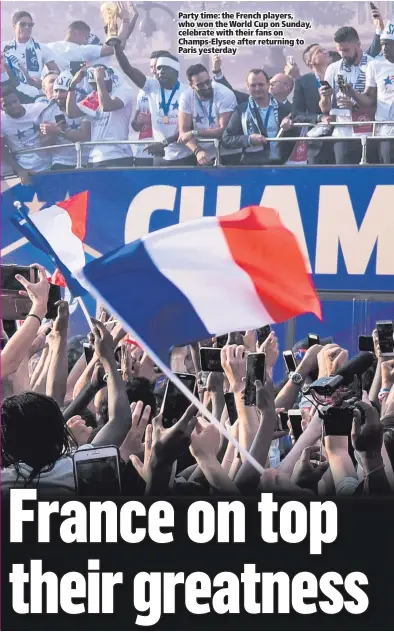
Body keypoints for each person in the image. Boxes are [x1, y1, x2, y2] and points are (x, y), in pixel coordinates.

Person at [113, 45, 194, 166]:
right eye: (159, 68)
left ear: (175, 71)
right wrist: (116, 47)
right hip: (160, 156)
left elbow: (188, 128)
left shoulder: (187, 92)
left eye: (165, 68)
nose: (160, 72)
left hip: (183, 156)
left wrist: (164, 143)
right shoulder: (152, 86)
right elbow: (128, 70)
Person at [319, 26, 376, 165]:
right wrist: (325, 97)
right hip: (342, 134)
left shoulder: (373, 65)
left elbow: (379, 104)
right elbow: (324, 109)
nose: (343, 54)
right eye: (340, 50)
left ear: (358, 44)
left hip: (369, 134)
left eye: (346, 50)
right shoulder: (333, 68)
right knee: (344, 177)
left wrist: (355, 106)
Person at [221, 69, 296, 165]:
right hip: (252, 165)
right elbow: (226, 139)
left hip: (281, 165)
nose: (257, 88)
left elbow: (296, 135)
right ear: (247, 87)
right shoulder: (241, 110)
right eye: (253, 85)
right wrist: (249, 139)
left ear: (268, 84)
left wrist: (290, 127)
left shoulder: (284, 109)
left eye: (261, 84)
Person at [66, 64, 134, 169]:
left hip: (117, 156)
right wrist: (72, 85)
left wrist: (99, 81)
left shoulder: (124, 91)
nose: (95, 89)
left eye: (96, 85)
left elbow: (107, 106)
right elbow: (72, 113)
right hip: (94, 158)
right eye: (93, 86)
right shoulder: (96, 94)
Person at [345, 20, 394, 164]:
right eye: (383, 44)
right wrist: (353, 93)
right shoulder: (375, 66)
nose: (384, 48)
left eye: (389, 44)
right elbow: (369, 99)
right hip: (386, 128)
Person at [178, 63, 239, 166]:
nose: (206, 87)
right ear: (191, 85)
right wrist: (197, 150)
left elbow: (223, 131)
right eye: (200, 85)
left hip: (228, 152)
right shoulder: (186, 96)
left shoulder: (224, 93)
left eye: (208, 82)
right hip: (203, 153)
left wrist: (194, 132)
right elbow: (183, 132)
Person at [46, 11, 132, 73]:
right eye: (86, 38)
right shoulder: (81, 49)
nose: (86, 42)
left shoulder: (48, 47)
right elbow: (118, 45)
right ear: (76, 33)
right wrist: (125, 20)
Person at [292, 43, 335, 165]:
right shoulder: (303, 82)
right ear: (310, 62)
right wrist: (319, 118)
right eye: (319, 51)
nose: (326, 52)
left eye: (325, 49)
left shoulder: (339, 75)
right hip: (316, 143)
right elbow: (296, 114)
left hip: (341, 138)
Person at [39, 70, 91, 171]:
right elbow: (45, 146)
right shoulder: (48, 111)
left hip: (86, 160)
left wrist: (59, 131)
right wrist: (52, 134)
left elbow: (84, 136)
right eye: (56, 90)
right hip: (61, 162)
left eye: (62, 91)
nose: (58, 95)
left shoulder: (83, 105)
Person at [2, 10, 59, 99]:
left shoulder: (41, 48)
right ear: (14, 27)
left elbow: (56, 73)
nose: (27, 27)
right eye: (23, 24)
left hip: (35, 94)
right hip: (10, 95)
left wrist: (44, 82)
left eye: (30, 25)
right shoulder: (3, 47)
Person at [1, 86, 51, 182]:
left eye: (14, 101)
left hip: (50, 165)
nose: (13, 106)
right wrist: (19, 170)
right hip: (25, 170)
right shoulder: (2, 120)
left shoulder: (39, 108)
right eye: (6, 105)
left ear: (19, 99)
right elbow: (1, 148)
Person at [132, 50, 168, 167]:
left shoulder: (174, 90)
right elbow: (135, 125)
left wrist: (152, 120)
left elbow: (179, 122)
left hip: (163, 152)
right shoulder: (143, 90)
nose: (153, 71)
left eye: (156, 67)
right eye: (151, 67)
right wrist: (137, 122)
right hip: (142, 152)